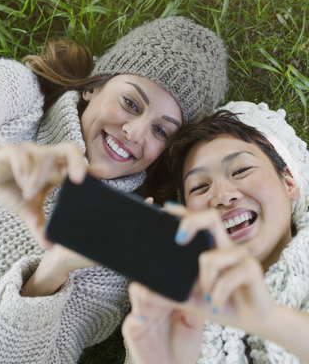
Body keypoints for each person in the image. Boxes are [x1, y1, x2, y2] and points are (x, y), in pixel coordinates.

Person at [0, 16, 227, 364]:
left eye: (161, 131)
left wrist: (53, 271)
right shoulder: (20, 98)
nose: (134, 131)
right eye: (131, 103)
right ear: (94, 87)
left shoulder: (113, 268)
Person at [123, 101, 309, 364]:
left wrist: (268, 320)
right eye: (199, 187)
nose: (222, 196)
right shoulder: (175, 314)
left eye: (241, 170)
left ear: (289, 181)